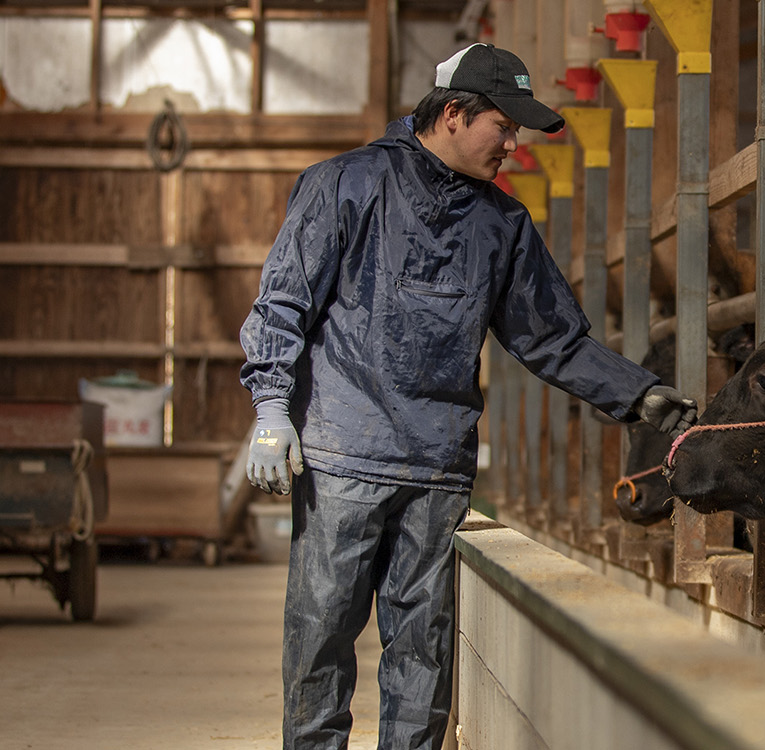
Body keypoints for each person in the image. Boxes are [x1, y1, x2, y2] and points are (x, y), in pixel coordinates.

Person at [238, 43, 697, 750]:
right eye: (504, 127)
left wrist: (638, 396)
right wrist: (271, 407)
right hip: (341, 459)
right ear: (453, 113)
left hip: (435, 469)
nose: (512, 145)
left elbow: (554, 339)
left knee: (423, 653)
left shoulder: (501, 227)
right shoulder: (344, 185)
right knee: (320, 640)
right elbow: (284, 301)